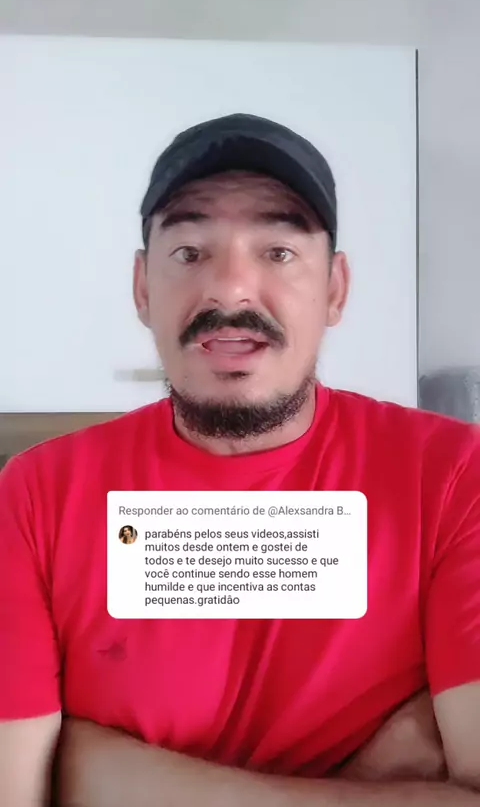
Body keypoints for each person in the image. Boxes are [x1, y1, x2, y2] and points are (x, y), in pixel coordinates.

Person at [0, 113, 479, 807]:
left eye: (278, 252)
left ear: (335, 289)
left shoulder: (455, 476)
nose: (229, 290)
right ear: (142, 288)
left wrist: (96, 768)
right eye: (189, 251)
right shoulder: (36, 496)